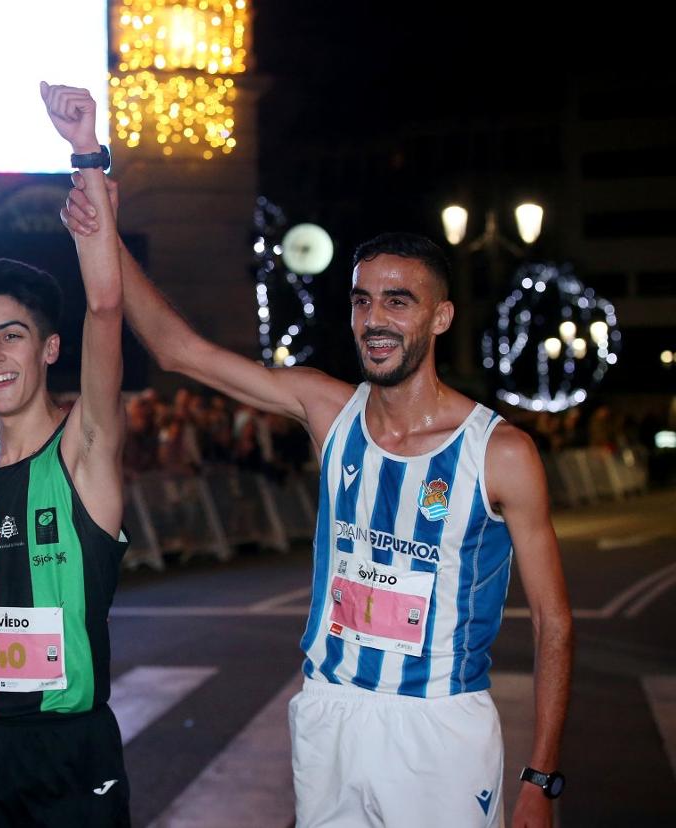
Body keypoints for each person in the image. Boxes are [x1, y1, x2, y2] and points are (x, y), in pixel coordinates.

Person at [66, 186, 573, 828]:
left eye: (398, 301)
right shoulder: (330, 410)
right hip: (330, 709)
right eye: (362, 301)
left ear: (440, 318)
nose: (375, 319)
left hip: (437, 725)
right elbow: (177, 349)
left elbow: (554, 623)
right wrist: (104, 225)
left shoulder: (500, 452)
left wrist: (541, 778)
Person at [0, 83, 130, 828]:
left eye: (12, 335)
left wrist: (84, 152)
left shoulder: (85, 446)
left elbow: (107, 309)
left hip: (68, 748)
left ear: (49, 349)